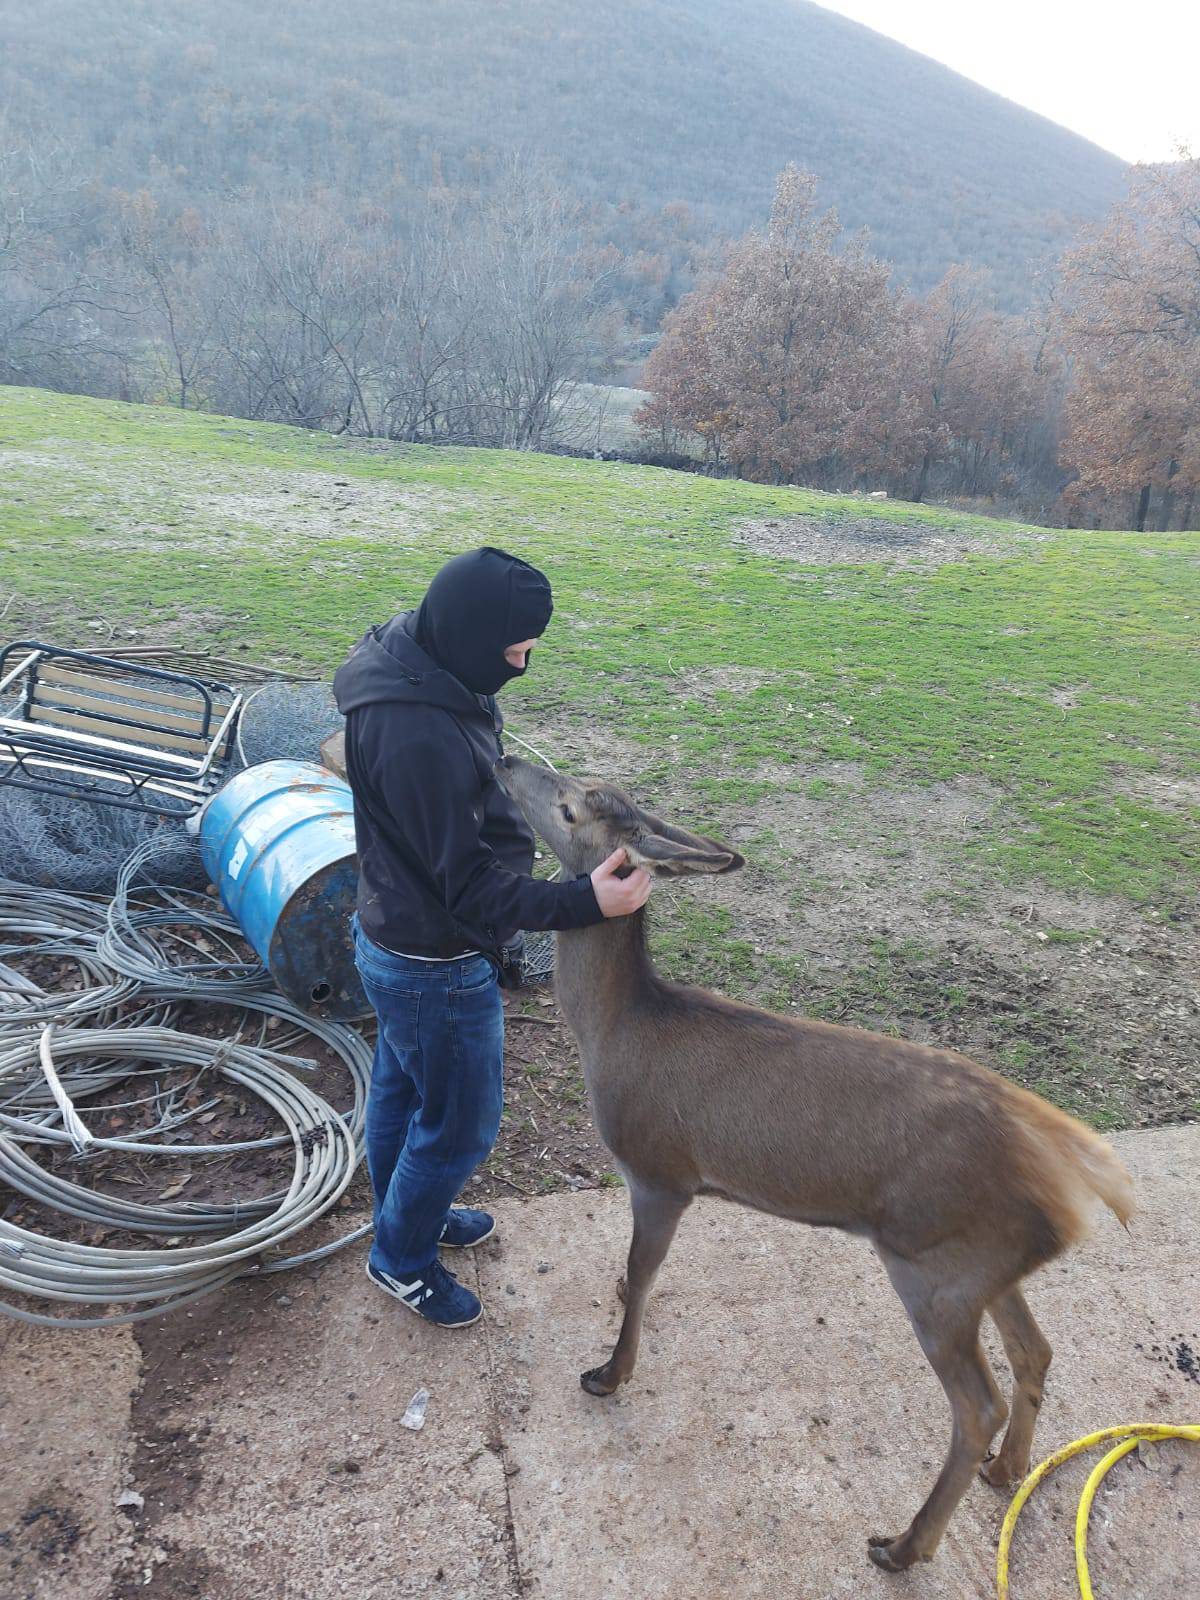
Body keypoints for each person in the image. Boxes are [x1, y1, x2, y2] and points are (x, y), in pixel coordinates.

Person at [333, 547, 651, 1327]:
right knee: (462, 1124)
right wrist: (587, 903)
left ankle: (413, 1212)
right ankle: (401, 1259)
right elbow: (469, 886)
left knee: (405, 1094)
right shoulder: (421, 737)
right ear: (471, 633)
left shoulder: (413, 659)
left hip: (394, 930)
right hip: (434, 960)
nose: (523, 662)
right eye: (514, 648)